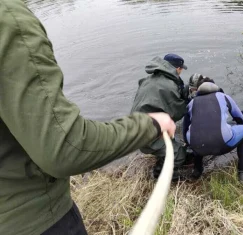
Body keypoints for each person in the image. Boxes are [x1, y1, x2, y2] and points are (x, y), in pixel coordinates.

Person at [0, 1, 176, 234]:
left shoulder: (149, 80)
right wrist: (151, 124)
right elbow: (65, 148)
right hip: (35, 221)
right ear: (178, 70)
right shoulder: (8, 18)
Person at [183, 79, 243, 183]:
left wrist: (190, 145)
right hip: (222, 145)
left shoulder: (191, 103)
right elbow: (240, 119)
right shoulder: (224, 96)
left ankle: (197, 171)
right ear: (217, 89)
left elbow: (185, 129)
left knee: (196, 134)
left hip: (198, 148)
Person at [131, 54, 190, 180]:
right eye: (181, 69)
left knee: (171, 139)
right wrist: (186, 100)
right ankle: (164, 175)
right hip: (145, 132)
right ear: (177, 69)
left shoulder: (148, 79)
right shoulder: (168, 86)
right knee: (179, 154)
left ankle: (161, 154)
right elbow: (178, 113)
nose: (180, 72)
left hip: (134, 125)